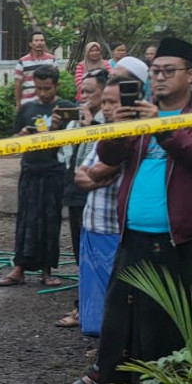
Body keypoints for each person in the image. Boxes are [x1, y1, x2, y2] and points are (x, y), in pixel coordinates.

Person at [53, 36, 192, 384]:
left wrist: (161, 126)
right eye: (155, 71)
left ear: (189, 74)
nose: (160, 78)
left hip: (183, 237)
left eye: (169, 71)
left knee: (173, 318)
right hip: (132, 231)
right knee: (119, 313)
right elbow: (108, 156)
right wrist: (118, 125)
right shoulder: (139, 110)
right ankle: (103, 376)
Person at [0, 64, 76, 288]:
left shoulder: (67, 109)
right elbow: (13, 139)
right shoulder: (26, 109)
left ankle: (47, 270)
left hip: (54, 171)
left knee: (50, 220)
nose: (42, 93)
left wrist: (57, 131)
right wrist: (20, 136)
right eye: (38, 88)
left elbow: (76, 141)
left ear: (56, 86)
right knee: (25, 219)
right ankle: (19, 267)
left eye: (47, 88)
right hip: (30, 168)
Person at [67, 78, 124, 336]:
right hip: (92, 223)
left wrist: (94, 175)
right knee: (94, 291)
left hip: (115, 227)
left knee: (115, 296)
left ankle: (113, 351)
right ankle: (101, 346)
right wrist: (94, 177)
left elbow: (102, 169)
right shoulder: (102, 132)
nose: (108, 107)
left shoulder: (131, 136)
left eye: (114, 102)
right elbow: (82, 174)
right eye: (107, 102)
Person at [55, 69, 108, 328]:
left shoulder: (107, 120)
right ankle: (85, 308)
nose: (83, 96)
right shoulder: (77, 119)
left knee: (96, 256)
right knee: (79, 251)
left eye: (90, 92)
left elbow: (103, 154)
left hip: (97, 196)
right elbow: (66, 155)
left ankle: (88, 312)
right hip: (75, 192)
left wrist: (91, 127)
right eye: (82, 91)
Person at [12, 31, 57, 109]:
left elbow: (55, 81)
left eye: (42, 40)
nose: (39, 43)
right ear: (30, 44)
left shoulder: (52, 60)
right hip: (27, 102)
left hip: (47, 102)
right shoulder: (22, 62)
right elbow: (18, 85)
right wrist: (18, 103)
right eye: (36, 40)